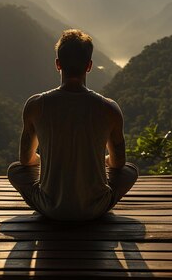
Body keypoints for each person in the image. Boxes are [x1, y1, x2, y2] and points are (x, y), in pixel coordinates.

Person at [7, 29, 138, 221]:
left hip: (50, 206)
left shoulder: (36, 105)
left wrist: (54, 161)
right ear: (89, 66)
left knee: (15, 170)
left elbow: (26, 160)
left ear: (58, 64)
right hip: (95, 207)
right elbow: (118, 163)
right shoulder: (109, 108)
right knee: (130, 170)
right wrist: (101, 161)